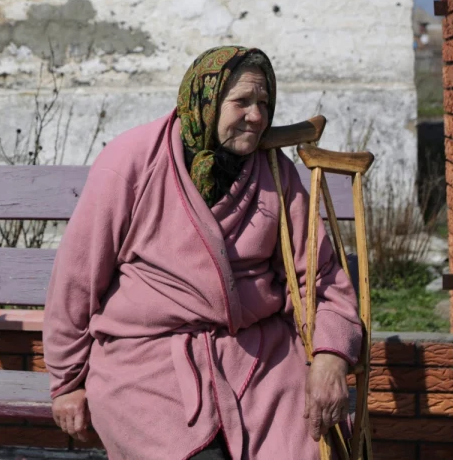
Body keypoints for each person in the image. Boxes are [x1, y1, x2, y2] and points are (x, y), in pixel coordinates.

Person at [43, 46, 361, 460]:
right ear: (206, 100)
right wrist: (67, 383)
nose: (257, 116)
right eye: (242, 102)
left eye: (264, 102)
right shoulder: (133, 159)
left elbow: (321, 279)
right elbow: (76, 278)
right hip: (147, 358)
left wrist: (330, 357)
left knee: (303, 447)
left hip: (257, 354)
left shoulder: (275, 170)